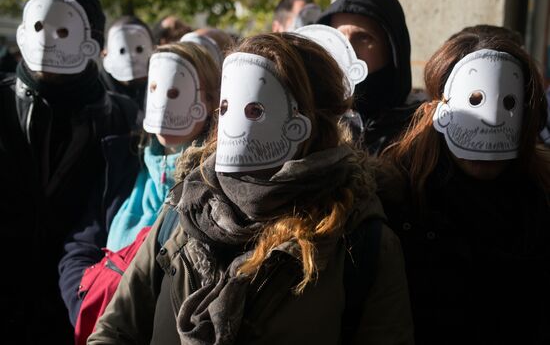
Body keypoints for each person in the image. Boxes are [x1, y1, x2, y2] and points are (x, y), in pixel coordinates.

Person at [88, 32, 414, 345]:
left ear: (305, 123)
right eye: (227, 107)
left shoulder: (359, 240)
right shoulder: (185, 207)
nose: (234, 123)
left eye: (255, 110)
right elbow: (116, 331)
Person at [382, 28, 550, 344]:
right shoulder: (395, 200)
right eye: (473, 101)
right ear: (441, 110)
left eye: (509, 103)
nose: (490, 122)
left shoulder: (541, 202)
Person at [0, 0, 139, 344]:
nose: (48, 40)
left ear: (91, 41)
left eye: (63, 29)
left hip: (73, 312)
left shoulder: (123, 120)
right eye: (39, 27)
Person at [58, 41, 220, 344]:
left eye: (175, 93)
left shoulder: (215, 182)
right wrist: (85, 297)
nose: (164, 102)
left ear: (209, 100)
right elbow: (81, 243)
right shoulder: (122, 161)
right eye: (156, 89)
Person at [317, 0, 422, 156]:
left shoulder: (421, 130)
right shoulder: (314, 121)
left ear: (392, 48)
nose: (347, 48)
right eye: (337, 37)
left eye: (363, 38)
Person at [100, 15, 154, 111]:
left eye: (139, 49)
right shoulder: (94, 94)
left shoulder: (162, 89)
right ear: (104, 54)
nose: (131, 58)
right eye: (122, 51)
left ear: (153, 50)